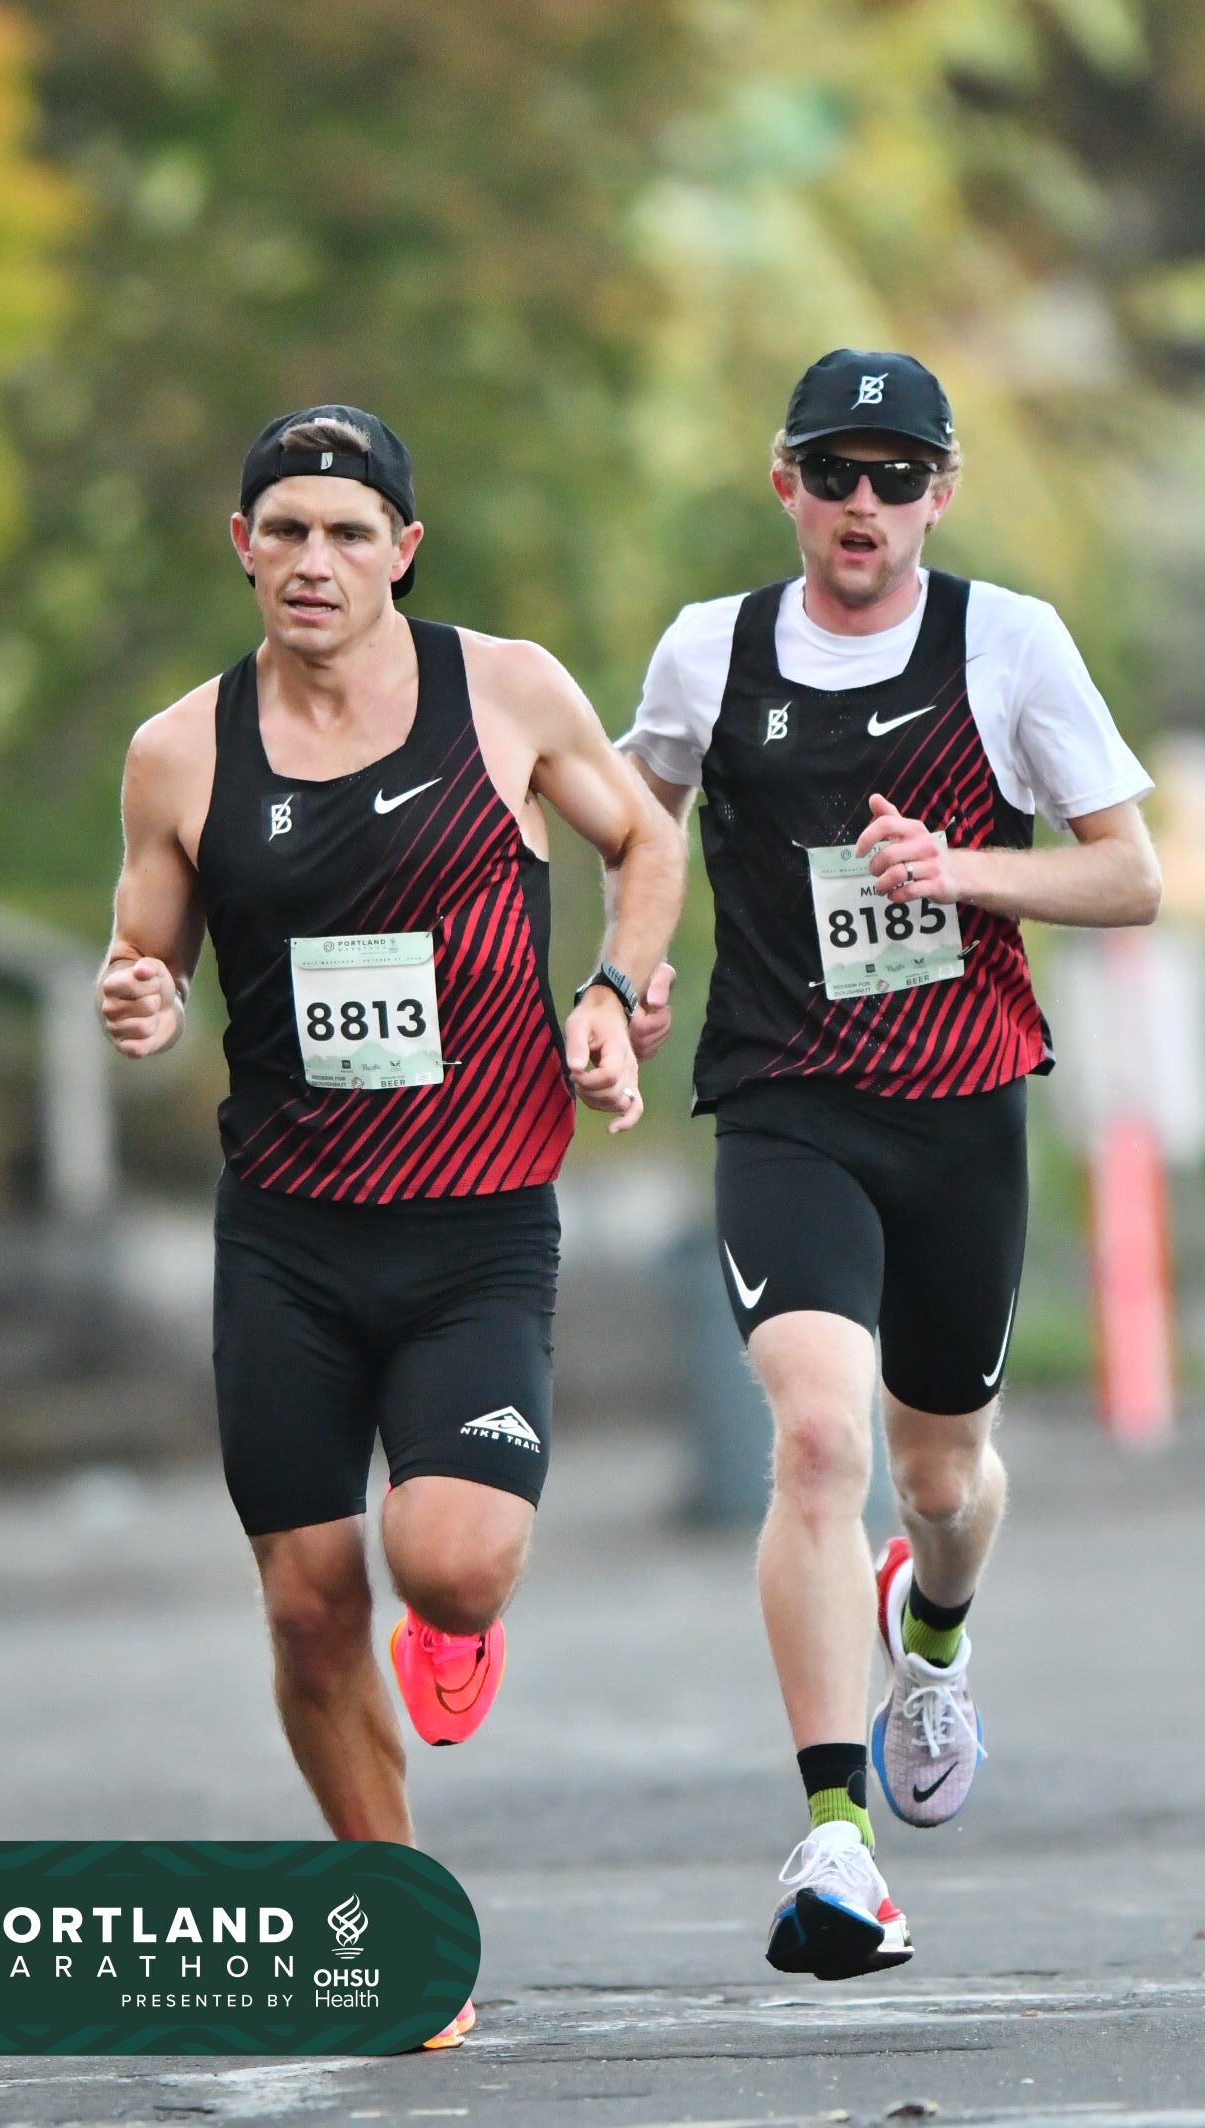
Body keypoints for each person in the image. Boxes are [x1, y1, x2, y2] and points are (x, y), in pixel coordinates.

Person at [97, 405, 684, 2046]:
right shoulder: (178, 751)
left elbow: (644, 837)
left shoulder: (505, 690)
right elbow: (145, 952)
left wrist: (613, 990)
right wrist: (135, 997)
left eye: (349, 532)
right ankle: (405, 1931)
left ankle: (457, 1626)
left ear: (402, 552)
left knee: (451, 1562)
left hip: (475, 1226)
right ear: (242, 546)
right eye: (285, 528)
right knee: (305, 1608)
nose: (315, 559)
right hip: (286, 1235)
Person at [620, 350, 1160, 1981]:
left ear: (941, 493)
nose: (866, 503)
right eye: (837, 472)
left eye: (898, 476)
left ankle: (932, 1635)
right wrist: (624, 971)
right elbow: (637, 821)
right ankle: (834, 1837)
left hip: (959, 1111)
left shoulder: (1008, 642)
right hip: (787, 1098)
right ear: (785, 482)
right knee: (812, 1439)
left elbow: (1130, 876)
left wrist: (964, 871)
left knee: (938, 1481)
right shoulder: (709, 651)